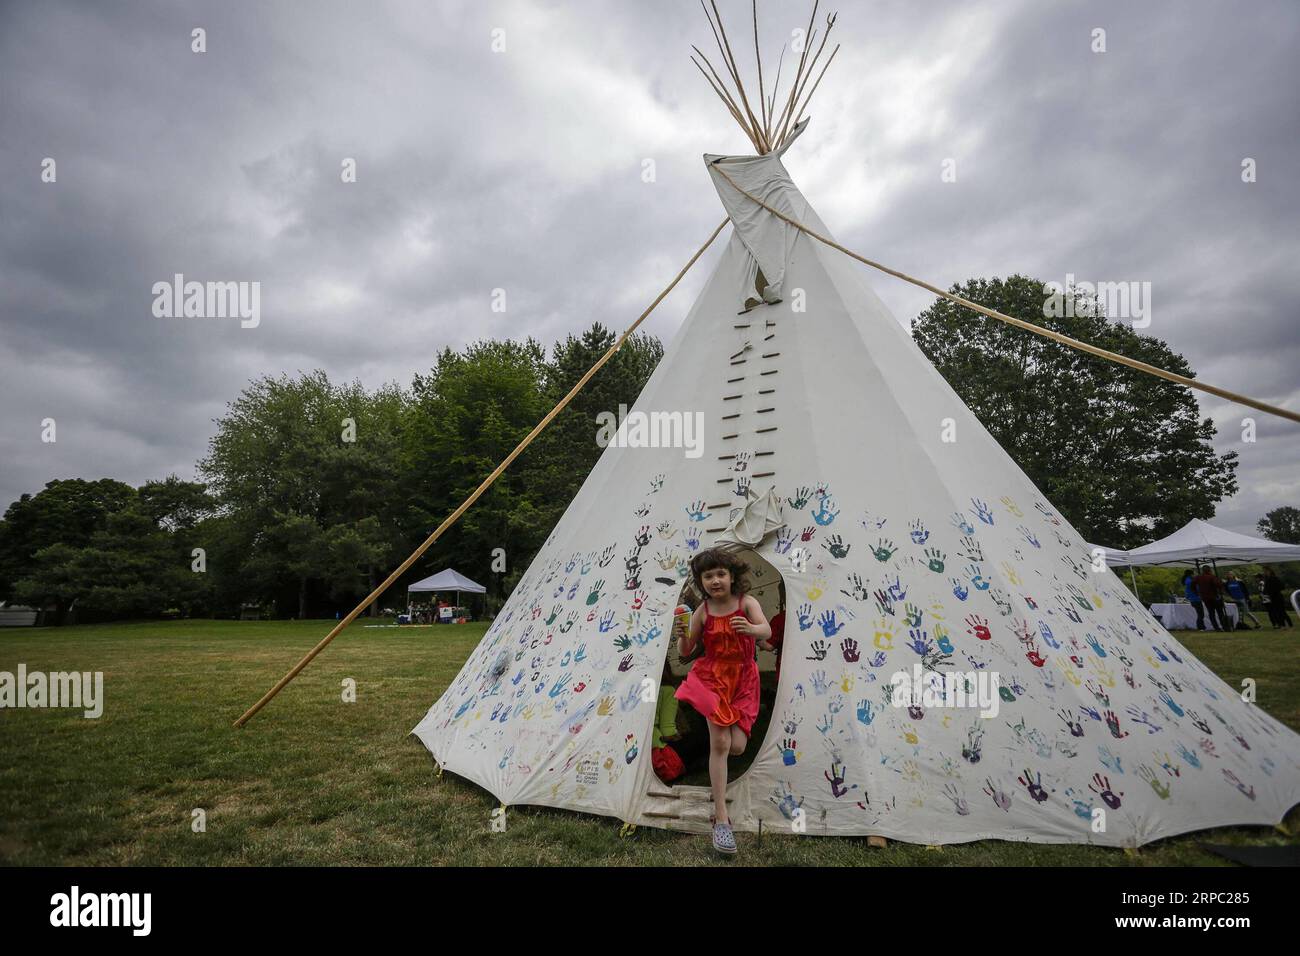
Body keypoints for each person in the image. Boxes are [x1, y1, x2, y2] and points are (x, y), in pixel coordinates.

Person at [672, 548, 771, 855]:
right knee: (721, 745)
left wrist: (752, 630)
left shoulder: (747, 603)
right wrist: (682, 634)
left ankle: (720, 803)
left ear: (731, 577)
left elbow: (765, 629)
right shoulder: (702, 610)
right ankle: (721, 818)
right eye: (708, 576)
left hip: (743, 681)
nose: (715, 581)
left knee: (737, 745)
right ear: (701, 582)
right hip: (713, 678)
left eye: (720, 574)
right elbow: (687, 650)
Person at [1192, 565, 1227, 631]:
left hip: (1205, 598)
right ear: (1209, 570)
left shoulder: (1198, 577)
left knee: (1211, 613)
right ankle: (1224, 626)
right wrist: (1221, 587)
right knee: (1220, 612)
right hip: (1214, 597)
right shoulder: (1212, 577)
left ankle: (1216, 628)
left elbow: (1192, 585)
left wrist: (1197, 593)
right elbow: (1218, 584)